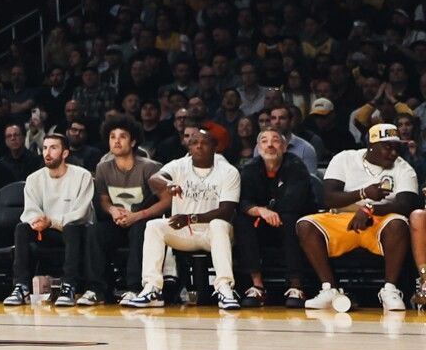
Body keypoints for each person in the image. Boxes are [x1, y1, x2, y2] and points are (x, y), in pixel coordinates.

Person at [299, 122, 417, 312]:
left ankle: (390, 290)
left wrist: (370, 209)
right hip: (343, 219)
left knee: (398, 223)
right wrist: (363, 193)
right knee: (305, 224)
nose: (394, 153)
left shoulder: (404, 168)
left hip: (380, 220)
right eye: (388, 147)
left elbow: (406, 205)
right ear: (371, 145)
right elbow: (329, 198)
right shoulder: (345, 159)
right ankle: (329, 289)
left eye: (397, 148)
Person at [119, 128, 241, 310]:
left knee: (218, 224)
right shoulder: (179, 165)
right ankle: (152, 288)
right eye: (194, 143)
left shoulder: (228, 171)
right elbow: (154, 178)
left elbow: (226, 211)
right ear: (188, 147)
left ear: (215, 147)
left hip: (214, 234)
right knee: (154, 226)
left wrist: (191, 218)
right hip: (184, 232)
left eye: (205, 143)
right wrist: (168, 185)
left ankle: (224, 287)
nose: (199, 146)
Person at [1, 135, 97, 306]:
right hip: (45, 230)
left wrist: (52, 221)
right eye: (45, 148)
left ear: (65, 153)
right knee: (22, 228)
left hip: (76, 232)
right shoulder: (34, 179)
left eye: (53, 148)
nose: (47, 153)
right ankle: (21, 286)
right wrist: (39, 222)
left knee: (71, 228)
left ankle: (69, 286)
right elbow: (30, 211)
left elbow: (81, 213)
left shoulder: (82, 176)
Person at [234, 127, 315, 308]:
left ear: (284, 147)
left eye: (275, 140)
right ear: (258, 148)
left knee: (290, 218)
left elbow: (294, 201)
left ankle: (296, 286)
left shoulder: (296, 166)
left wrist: (269, 211)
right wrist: (260, 211)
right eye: (264, 141)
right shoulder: (250, 168)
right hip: (263, 225)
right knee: (242, 221)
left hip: (291, 223)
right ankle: (257, 286)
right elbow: (243, 201)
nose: (270, 145)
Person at [91, 119, 166, 299]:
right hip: (118, 222)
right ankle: (97, 289)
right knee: (95, 231)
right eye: (112, 137)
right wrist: (112, 210)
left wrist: (138, 215)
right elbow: (103, 199)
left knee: (141, 229)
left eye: (122, 137)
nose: (116, 141)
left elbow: (167, 201)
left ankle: (134, 288)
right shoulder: (102, 168)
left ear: (132, 142)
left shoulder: (150, 167)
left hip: (143, 221)